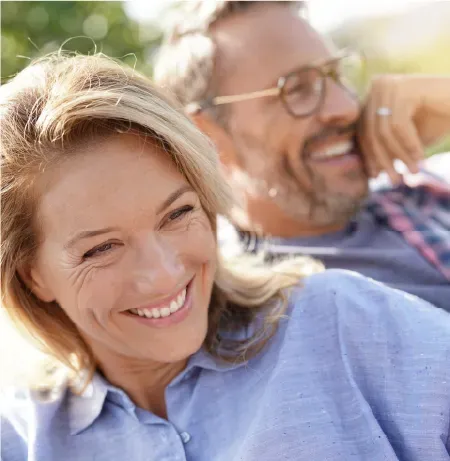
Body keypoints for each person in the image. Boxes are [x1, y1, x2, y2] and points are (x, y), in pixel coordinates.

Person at [2, 53, 450, 461]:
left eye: (177, 214)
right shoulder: (20, 442)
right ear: (32, 274)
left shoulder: (343, 322)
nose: (163, 274)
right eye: (101, 248)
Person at [154, 0, 450, 311]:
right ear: (207, 137)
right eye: (296, 89)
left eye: (335, 74)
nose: (346, 108)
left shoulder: (418, 191)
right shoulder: (249, 310)